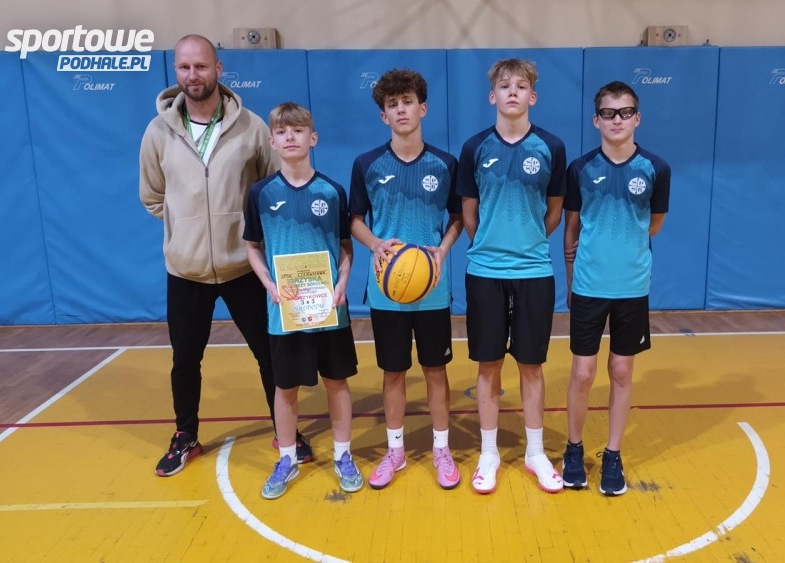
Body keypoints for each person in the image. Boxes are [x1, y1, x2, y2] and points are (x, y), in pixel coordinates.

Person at [139, 34, 312, 477]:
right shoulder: (157, 132)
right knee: (185, 360)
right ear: (176, 71)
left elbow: (273, 189)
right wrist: (186, 228)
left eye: (201, 66)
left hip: (243, 266)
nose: (192, 75)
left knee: (269, 353)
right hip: (187, 269)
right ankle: (186, 436)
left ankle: (285, 431)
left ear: (218, 69)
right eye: (184, 67)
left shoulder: (250, 126)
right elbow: (153, 196)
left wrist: (243, 233)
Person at [349, 69, 464, 491]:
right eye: (392, 105)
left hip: (432, 289)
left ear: (423, 108)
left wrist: (443, 250)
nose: (401, 110)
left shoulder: (445, 164)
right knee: (393, 371)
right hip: (387, 290)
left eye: (407, 102)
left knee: (435, 369)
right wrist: (376, 243)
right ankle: (395, 450)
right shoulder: (367, 164)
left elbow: (458, 218)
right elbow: (355, 219)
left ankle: (441, 448)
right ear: (384, 116)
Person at [457, 58, 566, 494]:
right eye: (505, 86)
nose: (513, 92)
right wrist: (489, 244)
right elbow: (468, 212)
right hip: (484, 271)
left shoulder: (551, 147)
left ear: (532, 96)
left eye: (521, 86)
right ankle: (489, 454)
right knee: (488, 364)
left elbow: (554, 210)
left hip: (534, 270)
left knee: (532, 365)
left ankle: (535, 453)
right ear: (493, 96)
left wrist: (528, 242)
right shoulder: (474, 148)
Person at [243, 102, 364, 499]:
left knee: (336, 382)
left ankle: (343, 455)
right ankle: (287, 458)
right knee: (286, 387)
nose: (290, 137)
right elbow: (252, 247)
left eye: (298, 130)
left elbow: (346, 247)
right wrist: (269, 284)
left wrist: (342, 282)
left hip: (329, 309)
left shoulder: (332, 191)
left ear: (313, 138)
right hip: (285, 311)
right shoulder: (260, 194)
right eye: (282, 132)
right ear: (271, 141)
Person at [559, 81, 671, 496]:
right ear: (597, 120)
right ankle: (573, 450)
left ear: (637, 118)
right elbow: (571, 231)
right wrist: (571, 281)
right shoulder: (580, 169)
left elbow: (653, 225)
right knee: (583, 372)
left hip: (632, 287)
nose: (617, 120)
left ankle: (612, 455)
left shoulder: (656, 169)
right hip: (589, 285)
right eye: (609, 113)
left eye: (625, 112)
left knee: (621, 371)